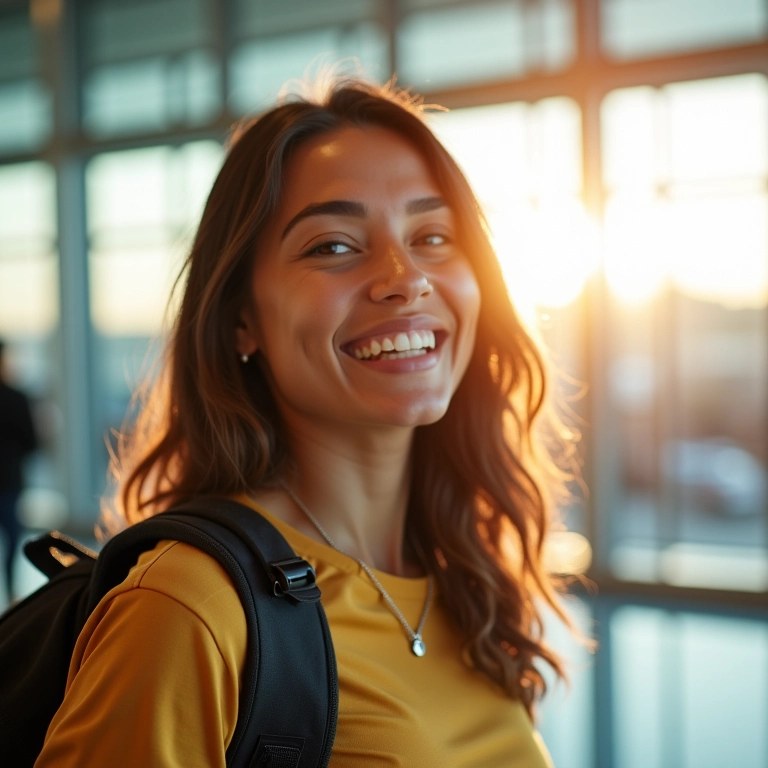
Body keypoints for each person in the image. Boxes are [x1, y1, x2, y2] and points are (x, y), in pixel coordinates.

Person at [36, 78, 576, 767]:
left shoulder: (461, 574)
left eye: (433, 235)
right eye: (333, 246)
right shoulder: (189, 607)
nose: (405, 277)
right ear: (241, 319)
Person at [0, 340, 38, 599]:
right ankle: (11, 588)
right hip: (9, 477)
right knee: (12, 536)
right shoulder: (16, 398)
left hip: (10, 478)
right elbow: (31, 441)